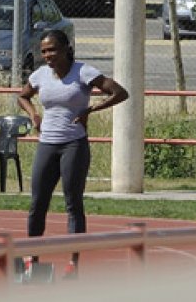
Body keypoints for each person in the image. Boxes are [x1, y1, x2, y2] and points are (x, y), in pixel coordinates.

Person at [17, 29, 128, 279]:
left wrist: (92, 110)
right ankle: (32, 260)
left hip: (74, 144)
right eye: (44, 51)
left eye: (53, 50)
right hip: (47, 143)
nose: (48, 56)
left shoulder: (83, 72)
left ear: (67, 48)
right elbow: (22, 96)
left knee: (73, 203)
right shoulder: (40, 75)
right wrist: (33, 114)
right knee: (37, 203)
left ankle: (73, 264)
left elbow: (120, 92)